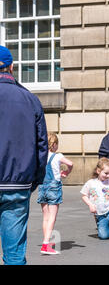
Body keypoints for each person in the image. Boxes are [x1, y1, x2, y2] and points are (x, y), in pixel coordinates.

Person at [0, 45, 48, 265]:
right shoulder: (30, 100)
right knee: (15, 255)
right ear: (12, 67)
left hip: (16, 183)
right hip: (17, 185)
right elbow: (41, 147)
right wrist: (34, 180)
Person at [37, 132, 73, 255]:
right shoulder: (57, 156)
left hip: (42, 186)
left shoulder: (40, 156)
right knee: (52, 217)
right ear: (54, 145)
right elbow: (70, 163)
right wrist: (67, 172)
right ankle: (46, 244)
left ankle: (47, 242)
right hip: (53, 187)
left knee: (45, 217)